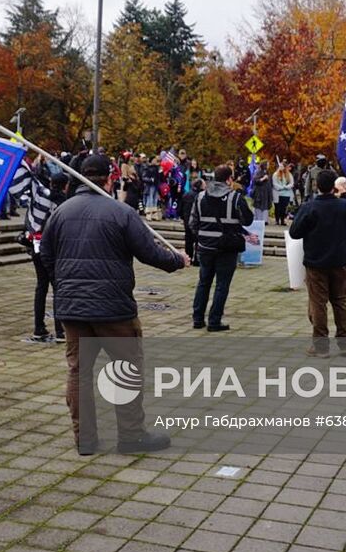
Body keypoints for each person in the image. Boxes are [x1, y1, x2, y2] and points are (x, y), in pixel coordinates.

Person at [41, 155, 190, 454]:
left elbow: (46, 255)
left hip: (73, 310)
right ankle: (131, 436)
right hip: (115, 311)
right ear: (109, 178)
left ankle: (85, 439)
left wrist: (65, 288)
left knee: (79, 372)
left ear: (78, 178)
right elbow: (149, 252)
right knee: (125, 369)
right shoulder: (121, 212)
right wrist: (178, 260)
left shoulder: (61, 213)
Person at [289, 169, 346, 358]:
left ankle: (321, 346)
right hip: (339, 260)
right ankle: (345, 343)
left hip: (316, 261)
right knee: (340, 301)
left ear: (317, 185)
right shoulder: (344, 206)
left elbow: (295, 232)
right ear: (334, 186)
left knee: (318, 303)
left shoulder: (310, 207)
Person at [188, 166, 254, 332]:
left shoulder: (200, 196)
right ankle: (214, 321)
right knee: (222, 285)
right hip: (227, 248)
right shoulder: (235, 197)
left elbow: (192, 223)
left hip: (204, 247)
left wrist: (203, 236)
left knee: (203, 282)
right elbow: (247, 220)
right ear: (229, 179)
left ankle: (197, 319)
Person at [25, 173, 69, 344]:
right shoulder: (64, 203)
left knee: (41, 287)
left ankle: (39, 327)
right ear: (65, 185)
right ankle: (60, 331)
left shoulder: (40, 201)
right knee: (58, 288)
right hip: (55, 249)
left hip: (38, 246)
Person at [180, 179, 203, 262]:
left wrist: (182, 217)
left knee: (188, 241)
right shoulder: (200, 196)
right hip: (197, 221)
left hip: (187, 220)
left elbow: (181, 207)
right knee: (197, 241)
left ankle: (188, 257)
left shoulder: (186, 194)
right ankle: (197, 260)